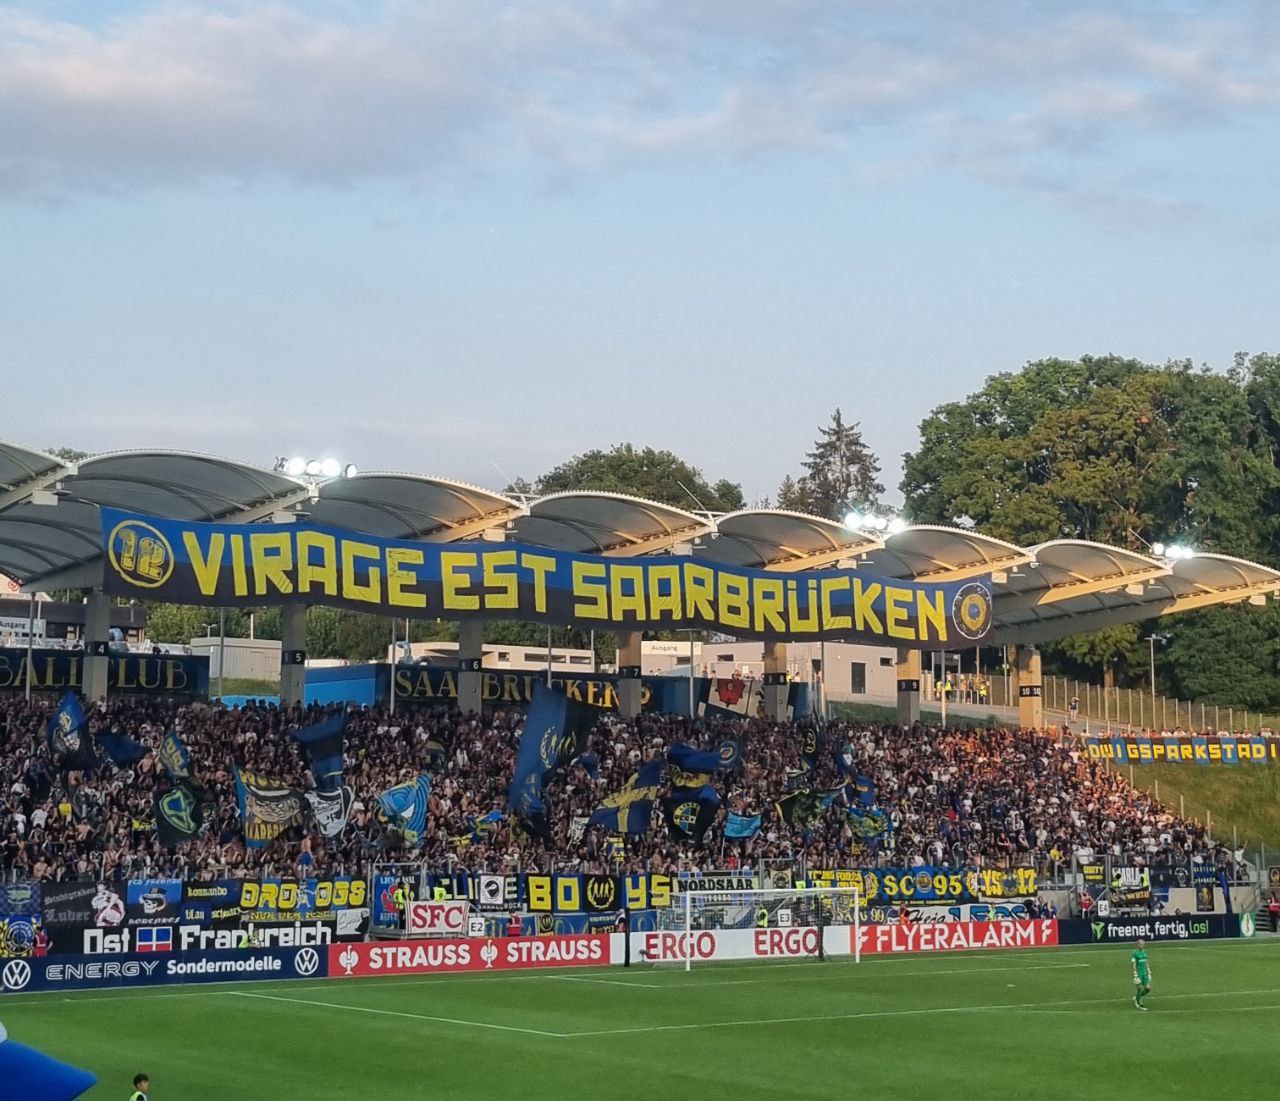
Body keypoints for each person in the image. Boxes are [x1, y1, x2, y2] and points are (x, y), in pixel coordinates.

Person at [1131, 937, 1152, 1010]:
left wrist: (1149, 971)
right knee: (1139, 988)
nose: (1142, 945)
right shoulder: (1134, 952)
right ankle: (1138, 1003)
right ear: (1138, 945)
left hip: (1145, 973)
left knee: (1148, 988)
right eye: (1141, 944)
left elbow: (1146, 961)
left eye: (1143, 944)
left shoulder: (1144, 951)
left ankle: (1138, 997)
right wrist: (1135, 974)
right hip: (1139, 973)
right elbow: (1133, 963)